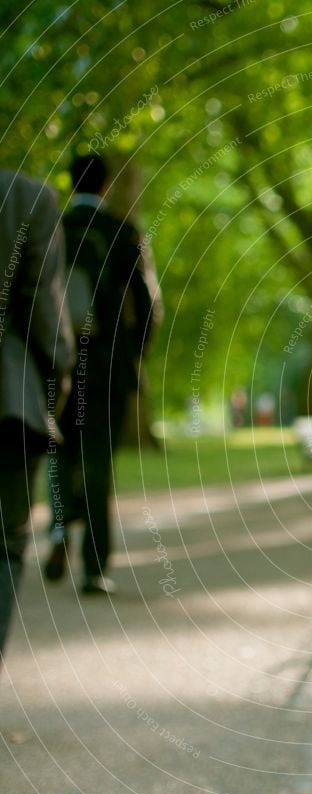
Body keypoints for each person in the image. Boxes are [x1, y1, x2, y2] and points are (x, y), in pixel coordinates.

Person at [44, 154, 153, 595]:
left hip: (59, 365)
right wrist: (137, 354)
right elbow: (144, 302)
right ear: (106, 186)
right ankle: (95, 567)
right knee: (97, 463)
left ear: (71, 185)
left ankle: (57, 530)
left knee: (59, 453)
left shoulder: (54, 229)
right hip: (106, 367)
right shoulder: (122, 232)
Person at [0, 169, 74, 663]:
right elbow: (40, 305)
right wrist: (61, 366)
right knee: (2, 543)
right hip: (8, 394)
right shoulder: (26, 196)